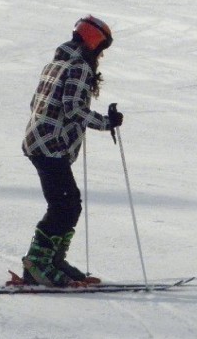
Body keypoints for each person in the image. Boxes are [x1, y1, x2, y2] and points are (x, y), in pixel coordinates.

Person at [20, 15, 124, 287]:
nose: (101, 55)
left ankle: (51, 261)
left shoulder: (56, 62)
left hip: (40, 141)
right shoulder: (79, 66)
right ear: (94, 43)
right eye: (102, 48)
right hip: (50, 146)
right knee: (65, 206)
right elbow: (74, 109)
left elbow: (38, 103)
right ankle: (38, 264)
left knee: (67, 204)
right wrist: (106, 123)